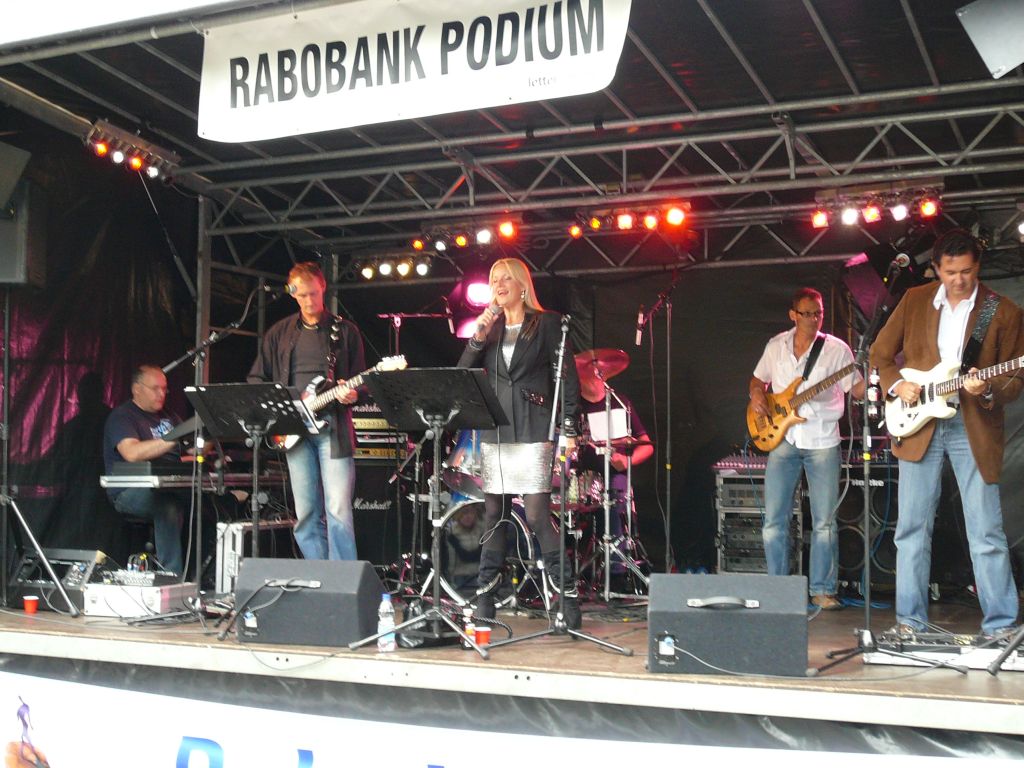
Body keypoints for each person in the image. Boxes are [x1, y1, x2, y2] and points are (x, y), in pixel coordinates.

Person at [870, 229, 1022, 639]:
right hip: (919, 423)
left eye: (967, 271)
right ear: (936, 268)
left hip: (972, 425)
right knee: (911, 529)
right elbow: (880, 353)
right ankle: (909, 623)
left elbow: (1014, 380)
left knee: (985, 530)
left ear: (978, 266)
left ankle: (1000, 626)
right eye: (951, 272)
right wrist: (896, 384)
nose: (959, 280)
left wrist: (986, 388)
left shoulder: (1002, 311)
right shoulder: (915, 300)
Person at [458, 257, 582, 627]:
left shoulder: (546, 324)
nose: (498, 285)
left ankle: (568, 598)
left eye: (505, 279)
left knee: (537, 516)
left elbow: (567, 378)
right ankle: (485, 600)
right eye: (494, 279)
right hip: (497, 430)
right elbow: (462, 373)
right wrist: (478, 335)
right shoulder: (491, 329)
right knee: (494, 516)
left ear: (522, 285)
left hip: (533, 427)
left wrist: (569, 428)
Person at [749, 287, 864, 610]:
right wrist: (757, 395)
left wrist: (870, 383)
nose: (814, 319)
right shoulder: (776, 346)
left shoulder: (837, 350)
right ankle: (777, 589)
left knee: (825, 521)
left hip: (822, 439)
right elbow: (757, 380)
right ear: (793, 315)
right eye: (807, 314)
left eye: (818, 314)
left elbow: (855, 389)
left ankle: (822, 590)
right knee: (774, 521)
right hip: (783, 439)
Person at [248, 261, 366, 561]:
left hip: (333, 429)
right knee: (305, 512)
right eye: (302, 295)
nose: (309, 301)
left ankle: (341, 578)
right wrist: (280, 408)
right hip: (293, 429)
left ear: (323, 288)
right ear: (292, 293)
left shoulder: (345, 331)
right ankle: (318, 572)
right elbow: (256, 380)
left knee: (338, 509)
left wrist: (353, 393)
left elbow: (363, 381)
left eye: (313, 293)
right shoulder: (279, 333)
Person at [103, 365, 186, 575]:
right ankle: (171, 576)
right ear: (137, 389)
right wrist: (173, 439)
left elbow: (191, 449)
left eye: (164, 389)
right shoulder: (122, 417)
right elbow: (131, 453)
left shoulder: (170, 416)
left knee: (211, 503)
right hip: (128, 492)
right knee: (168, 507)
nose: (161, 394)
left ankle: (210, 575)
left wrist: (210, 431)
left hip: (169, 486)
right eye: (155, 388)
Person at [574, 370, 653, 591]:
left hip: (614, 475)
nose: (596, 377)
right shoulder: (573, 406)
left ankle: (617, 573)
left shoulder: (620, 402)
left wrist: (627, 461)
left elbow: (646, 445)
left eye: (599, 373)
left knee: (617, 498)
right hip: (580, 475)